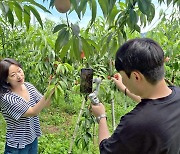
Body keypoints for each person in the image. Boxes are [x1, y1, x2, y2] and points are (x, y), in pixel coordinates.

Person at [91, 38, 180, 154]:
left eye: (123, 77)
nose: (123, 80)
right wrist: (124, 89)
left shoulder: (135, 124)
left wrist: (101, 117)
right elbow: (155, 104)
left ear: (136, 76)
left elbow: (106, 150)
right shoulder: (177, 93)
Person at [0, 58, 54, 154]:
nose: (19, 76)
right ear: (6, 80)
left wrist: (53, 87)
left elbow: (46, 103)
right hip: (17, 146)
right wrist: (49, 92)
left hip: (32, 139)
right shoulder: (7, 98)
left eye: (19, 71)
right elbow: (32, 112)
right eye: (13, 75)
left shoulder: (28, 86)